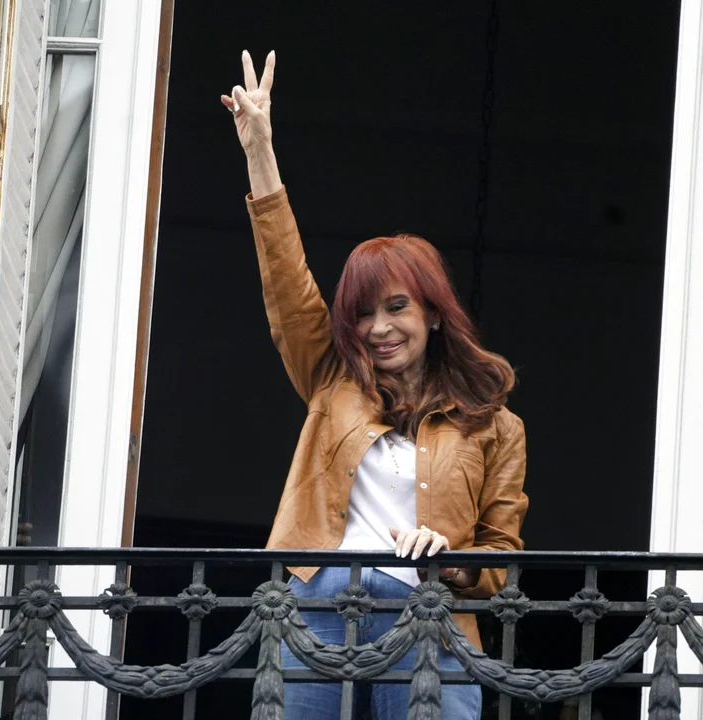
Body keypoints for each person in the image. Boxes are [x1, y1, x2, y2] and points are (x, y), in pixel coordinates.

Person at [221, 50, 529, 720]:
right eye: (363, 313)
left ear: (434, 314)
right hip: (317, 604)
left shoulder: (496, 425)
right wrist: (259, 150)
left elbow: (501, 555)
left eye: (396, 308)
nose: (379, 328)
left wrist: (456, 561)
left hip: (430, 615)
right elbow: (285, 277)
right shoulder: (331, 377)